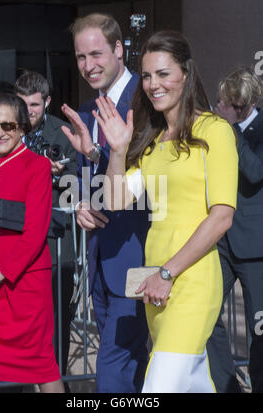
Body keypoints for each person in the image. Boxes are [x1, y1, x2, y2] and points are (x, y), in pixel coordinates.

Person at [91, 30, 238, 392]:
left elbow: (221, 216)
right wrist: (118, 150)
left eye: (163, 74)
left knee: (159, 386)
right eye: (146, 75)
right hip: (155, 288)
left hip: (189, 284)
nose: (153, 84)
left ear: (185, 75)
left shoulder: (214, 131)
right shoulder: (154, 142)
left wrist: (168, 274)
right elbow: (114, 199)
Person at [0, 71, 77, 389]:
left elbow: (34, 236)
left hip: (22, 289)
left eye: (8, 125)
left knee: (43, 370)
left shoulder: (37, 167)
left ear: (22, 127)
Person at [61, 13, 150, 393]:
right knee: (130, 366)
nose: (88, 66)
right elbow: (93, 182)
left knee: (111, 369)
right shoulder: (87, 110)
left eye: (96, 54)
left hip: (143, 255)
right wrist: (81, 202)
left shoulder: (148, 101)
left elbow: (145, 181)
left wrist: (98, 152)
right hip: (100, 260)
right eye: (81, 57)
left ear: (118, 49)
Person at [207, 67, 263, 393]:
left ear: (239, 107)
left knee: (259, 329)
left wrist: (233, 133)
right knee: (206, 312)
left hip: (255, 248)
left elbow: (256, 172)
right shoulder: (217, 130)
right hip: (222, 241)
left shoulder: (254, 130)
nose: (216, 106)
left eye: (223, 103)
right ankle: (228, 386)